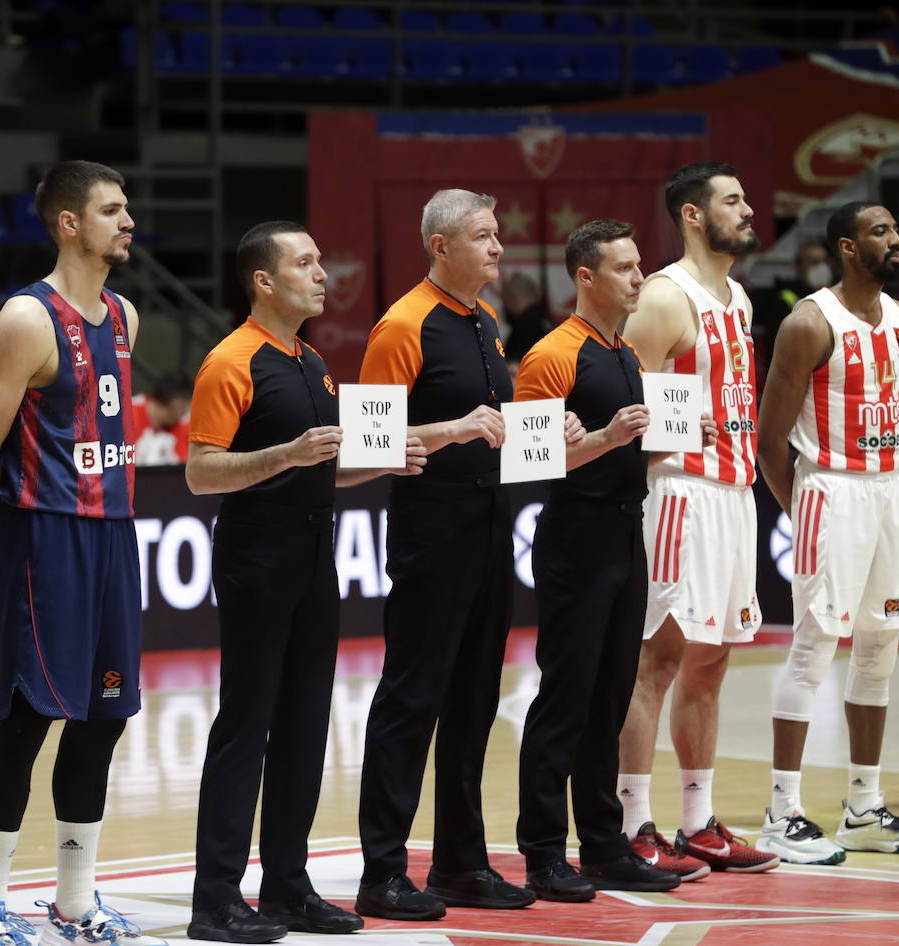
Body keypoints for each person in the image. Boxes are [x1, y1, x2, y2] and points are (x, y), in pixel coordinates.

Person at [184, 221, 425, 943]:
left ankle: (287, 886)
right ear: (264, 280)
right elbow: (201, 472)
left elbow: (325, 464)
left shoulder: (313, 361)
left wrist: (381, 461)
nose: (323, 274)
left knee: (305, 723)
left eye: (320, 261)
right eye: (306, 262)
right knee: (246, 723)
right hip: (257, 552)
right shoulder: (231, 360)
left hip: (316, 551)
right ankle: (215, 899)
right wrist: (286, 454)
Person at [354, 188, 582, 921]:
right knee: (411, 699)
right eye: (483, 236)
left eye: (496, 234)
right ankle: (383, 871)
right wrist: (451, 431)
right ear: (441, 246)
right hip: (432, 531)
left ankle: (460, 863)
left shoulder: (484, 320)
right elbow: (367, 444)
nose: (498, 247)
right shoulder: (402, 325)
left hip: (490, 524)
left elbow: (494, 426)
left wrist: (547, 428)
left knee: (475, 700)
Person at [0, 161, 161, 946]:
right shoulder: (25, 319)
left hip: (114, 532)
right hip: (45, 535)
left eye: (126, 207)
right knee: (28, 721)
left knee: (104, 719)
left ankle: (75, 902)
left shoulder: (126, 315)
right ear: (69, 223)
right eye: (112, 209)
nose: (128, 220)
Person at [514, 219, 718, 901]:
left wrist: (674, 440)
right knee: (566, 699)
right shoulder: (551, 355)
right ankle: (544, 852)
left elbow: (627, 451)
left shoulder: (627, 355)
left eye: (639, 266)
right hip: (575, 538)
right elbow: (531, 461)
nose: (639, 278)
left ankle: (603, 845)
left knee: (608, 698)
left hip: (627, 534)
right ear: (586, 277)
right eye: (625, 268)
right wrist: (606, 437)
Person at [754, 201, 899, 863]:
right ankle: (781, 813)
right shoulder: (809, 323)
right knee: (813, 648)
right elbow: (768, 440)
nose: (896, 239)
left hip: (890, 488)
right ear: (846, 246)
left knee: (880, 647)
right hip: (831, 490)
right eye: (879, 231)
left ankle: (864, 808)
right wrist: (803, 509)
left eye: (895, 229)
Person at [615, 161, 779, 876]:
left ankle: (698, 822)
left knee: (711, 661)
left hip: (734, 494)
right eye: (732, 201)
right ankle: (631, 824)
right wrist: (668, 439)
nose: (748, 211)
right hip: (679, 491)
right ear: (692, 214)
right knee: (658, 660)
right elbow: (619, 398)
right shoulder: (664, 296)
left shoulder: (737, 296)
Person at [132, 369, 192, 466]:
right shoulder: (126, 415)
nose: (186, 415)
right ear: (177, 406)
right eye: (186, 409)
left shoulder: (186, 427)